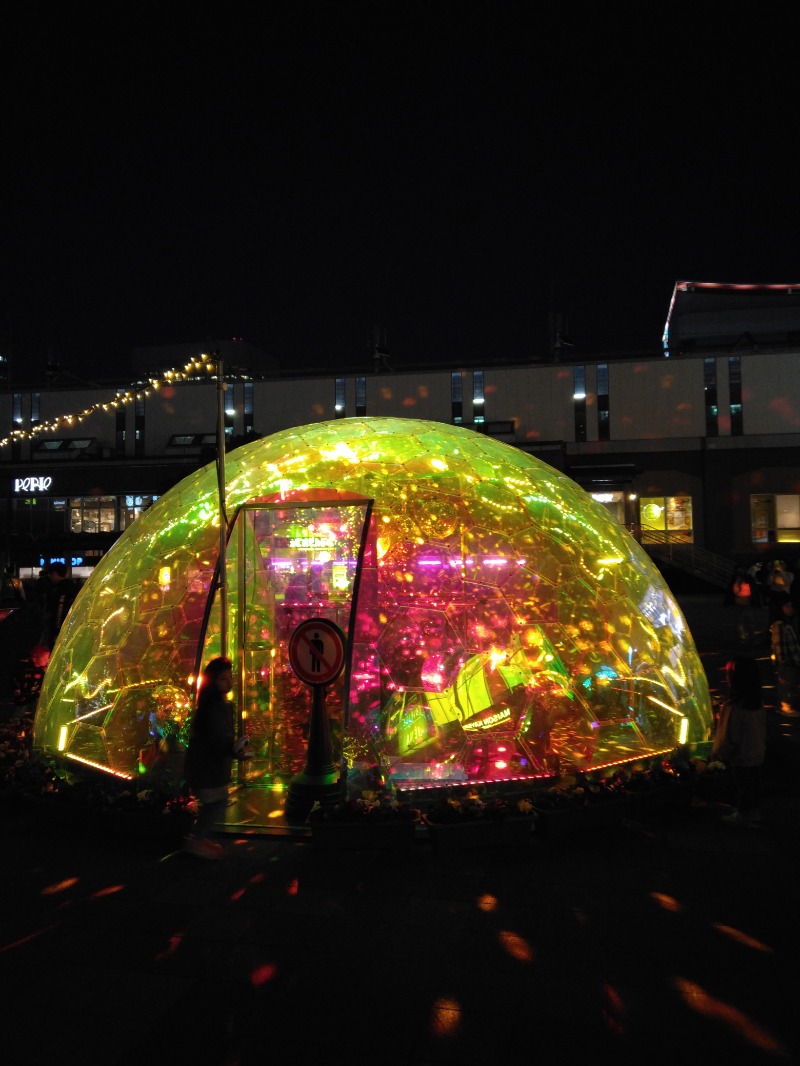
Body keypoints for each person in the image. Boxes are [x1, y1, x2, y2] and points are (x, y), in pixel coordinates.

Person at [183, 658, 251, 859]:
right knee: (216, 803)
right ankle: (197, 839)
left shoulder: (221, 704)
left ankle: (198, 838)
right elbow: (215, 739)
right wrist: (233, 751)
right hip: (208, 767)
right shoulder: (212, 707)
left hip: (213, 766)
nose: (229, 682)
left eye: (230, 676)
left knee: (216, 803)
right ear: (212, 681)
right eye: (223, 678)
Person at [716, 656, 766, 828]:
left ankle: (746, 815)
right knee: (753, 784)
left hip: (741, 755)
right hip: (756, 752)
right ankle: (754, 813)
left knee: (744, 786)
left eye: (729, 674)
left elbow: (732, 734)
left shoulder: (735, 706)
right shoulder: (756, 702)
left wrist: (723, 751)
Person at [770, 596, 800, 716]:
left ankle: (788, 705)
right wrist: (782, 662)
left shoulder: (788, 623)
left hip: (793, 660)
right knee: (785, 684)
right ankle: (785, 707)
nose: (790, 609)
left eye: (791, 606)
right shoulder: (779, 625)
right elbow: (779, 645)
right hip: (787, 662)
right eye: (787, 606)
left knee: (790, 683)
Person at [39, 562, 77, 649]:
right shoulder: (73, 586)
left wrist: (57, 631)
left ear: (55, 573)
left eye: (50, 574)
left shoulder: (59, 589)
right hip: (71, 628)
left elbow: (60, 609)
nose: (49, 577)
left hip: (59, 629)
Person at [10, 644, 50, 714]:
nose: (48, 660)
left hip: (35, 696)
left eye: (48, 657)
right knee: (19, 712)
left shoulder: (43, 668)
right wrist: (17, 689)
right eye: (44, 658)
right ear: (35, 659)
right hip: (23, 698)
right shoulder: (25, 669)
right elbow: (14, 677)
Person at [731, 567, 754, 643]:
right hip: (744, 602)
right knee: (745, 620)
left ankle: (745, 635)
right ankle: (747, 635)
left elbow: (735, 592)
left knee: (742, 620)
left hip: (742, 602)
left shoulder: (738, 584)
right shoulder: (742, 584)